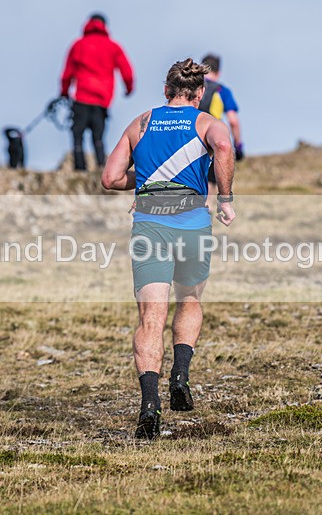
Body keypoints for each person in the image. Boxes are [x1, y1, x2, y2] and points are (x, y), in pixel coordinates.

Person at [102, 58, 236, 440]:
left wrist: (144, 181)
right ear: (198, 94)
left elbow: (110, 178)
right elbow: (224, 146)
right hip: (192, 221)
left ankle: (149, 404)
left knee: (150, 318)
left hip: (150, 224)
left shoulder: (140, 123)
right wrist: (225, 198)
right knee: (190, 300)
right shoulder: (206, 123)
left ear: (166, 91)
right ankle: (180, 373)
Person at [60, 13, 134, 171]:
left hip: (81, 98)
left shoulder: (78, 45)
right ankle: (101, 166)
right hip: (101, 101)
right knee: (98, 137)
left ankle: (80, 168)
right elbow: (127, 71)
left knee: (78, 137)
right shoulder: (113, 46)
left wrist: (64, 92)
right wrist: (129, 88)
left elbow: (67, 73)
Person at [198, 53, 244, 195]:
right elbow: (233, 121)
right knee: (210, 182)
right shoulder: (222, 91)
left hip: (189, 136)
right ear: (219, 72)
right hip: (211, 139)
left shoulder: (192, 88)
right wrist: (238, 145)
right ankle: (208, 212)